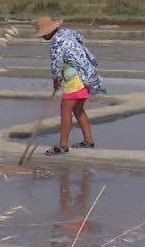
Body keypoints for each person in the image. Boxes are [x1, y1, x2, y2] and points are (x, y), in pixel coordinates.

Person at [33, 16, 103, 155]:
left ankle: (63, 146)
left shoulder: (57, 42)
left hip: (75, 79)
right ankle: (88, 141)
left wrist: (55, 80)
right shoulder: (68, 33)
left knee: (65, 110)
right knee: (78, 110)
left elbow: (56, 64)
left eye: (43, 34)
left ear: (48, 32)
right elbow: (80, 42)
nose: (42, 37)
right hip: (87, 75)